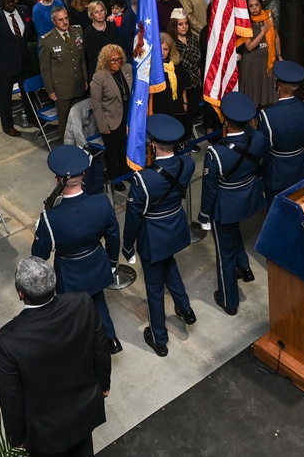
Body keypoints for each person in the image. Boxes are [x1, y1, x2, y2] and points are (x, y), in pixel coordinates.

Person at [0, 256, 111, 457]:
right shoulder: (83, 303)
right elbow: (100, 349)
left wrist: (17, 436)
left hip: (44, 431)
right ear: (53, 283)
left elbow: (11, 396)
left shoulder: (6, 341)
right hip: (83, 410)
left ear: (20, 293)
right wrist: (103, 384)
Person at [32, 145, 122, 354]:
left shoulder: (50, 218)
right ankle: (111, 339)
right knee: (97, 298)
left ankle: (83, 350)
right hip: (96, 260)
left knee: (73, 312)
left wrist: (41, 229)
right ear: (84, 175)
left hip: (69, 272)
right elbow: (113, 236)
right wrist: (112, 262)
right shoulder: (101, 202)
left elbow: (39, 255)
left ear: (57, 179)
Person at [123, 114, 196, 357]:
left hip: (153, 235)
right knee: (170, 264)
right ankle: (185, 308)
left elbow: (134, 216)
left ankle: (159, 338)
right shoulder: (189, 164)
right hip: (175, 226)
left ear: (152, 144)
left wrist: (127, 246)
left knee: (154, 289)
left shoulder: (144, 179)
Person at [198, 92, 268, 315]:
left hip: (226, 205)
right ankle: (245, 268)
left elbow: (209, 190)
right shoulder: (259, 138)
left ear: (225, 121)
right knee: (233, 233)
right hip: (250, 197)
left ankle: (229, 300)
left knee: (224, 253)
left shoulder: (216, 153)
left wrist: (203, 216)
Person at [258, 62, 304, 205]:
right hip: (300, 167)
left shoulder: (267, 115)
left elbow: (263, 148)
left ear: (278, 86)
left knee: (275, 209)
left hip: (276, 171)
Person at [0, 0, 36, 137]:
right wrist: (0, 53)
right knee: (5, 97)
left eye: (12, 0)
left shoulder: (24, 10)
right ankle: (7, 125)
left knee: (27, 92)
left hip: (23, 60)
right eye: (6, 2)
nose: (10, 4)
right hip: (4, 63)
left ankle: (32, 117)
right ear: (0, 3)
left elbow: (28, 32)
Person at [38, 7, 87, 137]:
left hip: (78, 84)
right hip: (62, 89)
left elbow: (82, 59)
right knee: (65, 124)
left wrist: (85, 79)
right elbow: (45, 68)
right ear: (53, 21)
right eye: (61, 20)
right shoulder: (47, 41)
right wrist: (50, 90)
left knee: (80, 121)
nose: (65, 22)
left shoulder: (77, 31)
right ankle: (66, 151)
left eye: (66, 18)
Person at [90, 44, 132, 190]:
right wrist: (103, 126)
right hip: (111, 121)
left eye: (119, 59)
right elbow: (96, 104)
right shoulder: (99, 77)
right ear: (105, 61)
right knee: (113, 152)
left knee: (125, 149)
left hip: (127, 118)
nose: (116, 63)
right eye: (112, 60)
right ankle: (115, 178)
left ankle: (126, 172)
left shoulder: (127, 70)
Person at [236, 0, 279, 109]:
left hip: (266, 62)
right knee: (252, 93)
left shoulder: (268, 18)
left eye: (257, 5)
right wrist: (262, 32)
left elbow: (276, 38)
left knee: (265, 95)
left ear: (261, 5)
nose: (254, 8)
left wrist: (279, 55)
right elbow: (249, 46)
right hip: (252, 64)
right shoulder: (245, 23)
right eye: (251, 6)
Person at [81, 0, 120, 76]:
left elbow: (118, 47)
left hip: (115, 67)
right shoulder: (88, 32)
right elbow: (92, 57)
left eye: (101, 11)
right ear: (92, 15)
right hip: (99, 70)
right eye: (96, 12)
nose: (100, 14)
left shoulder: (112, 26)